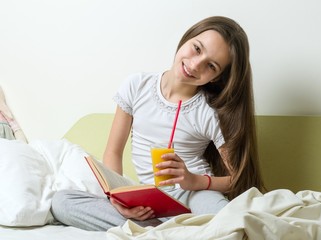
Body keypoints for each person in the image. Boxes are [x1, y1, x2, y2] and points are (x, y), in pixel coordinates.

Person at [51, 15, 264, 231]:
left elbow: (238, 177)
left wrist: (196, 181)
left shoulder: (209, 112)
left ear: (216, 78)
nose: (195, 64)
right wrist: (116, 199)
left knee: (226, 221)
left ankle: (155, 232)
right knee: (62, 202)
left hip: (193, 196)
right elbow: (113, 152)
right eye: (197, 49)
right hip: (148, 200)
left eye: (211, 66)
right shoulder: (137, 86)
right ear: (186, 39)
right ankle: (167, 231)